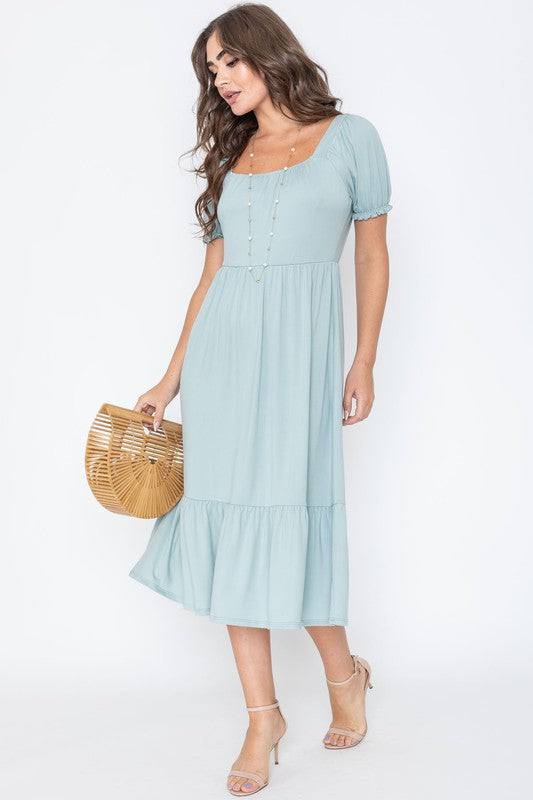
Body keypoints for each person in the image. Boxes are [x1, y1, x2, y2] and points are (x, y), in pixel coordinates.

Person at [129, 4, 392, 795]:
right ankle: (262, 716)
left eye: (228, 62)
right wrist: (171, 378)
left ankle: (344, 676)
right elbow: (210, 279)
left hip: (300, 362)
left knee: (291, 514)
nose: (220, 80)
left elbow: (371, 256)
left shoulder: (351, 139)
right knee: (233, 529)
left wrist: (364, 359)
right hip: (223, 364)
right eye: (210, 71)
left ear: (266, 54)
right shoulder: (233, 155)